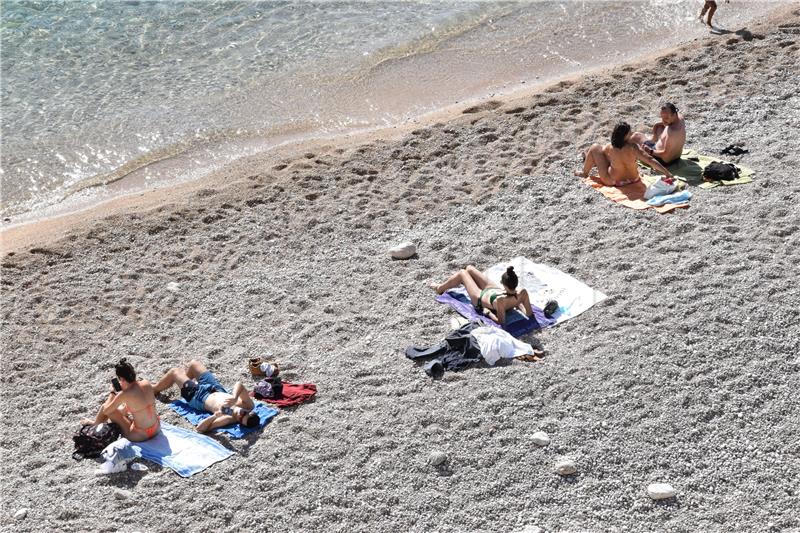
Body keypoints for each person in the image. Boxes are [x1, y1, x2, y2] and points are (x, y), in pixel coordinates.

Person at [153, 360, 260, 433]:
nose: (239, 415)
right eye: (243, 413)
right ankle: (182, 382)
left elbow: (200, 429)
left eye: (240, 420)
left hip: (199, 396)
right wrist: (235, 397)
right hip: (215, 388)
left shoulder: (228, 418)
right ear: (248, 411)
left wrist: (215, 416)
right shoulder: (248, 405)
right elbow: (239, 384)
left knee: (174, 372)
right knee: (193, 364)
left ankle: (155, 389)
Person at [81, 358, 160, 442]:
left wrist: (112, 393)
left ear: (122, 379)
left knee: (106, 407)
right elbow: (138, 401)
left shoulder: (125, 394)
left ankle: (95, 424)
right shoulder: (146, 382)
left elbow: (106, 411)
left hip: (140, 435)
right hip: (157, 428)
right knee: (124, 410)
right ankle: (96, 423)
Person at [575, 122, 674, 186]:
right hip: (634, 179)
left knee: (595, 147)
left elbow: (601, 154)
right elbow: (650, 160)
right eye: (630, 133)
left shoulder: (610, 148)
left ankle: (584, 173)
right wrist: (667, 173)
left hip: (614, 181)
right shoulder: (633, 147)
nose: (631, 134)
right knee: (615, 160)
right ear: (625, 136)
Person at [431, 265, 532, 325]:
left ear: (504, 285)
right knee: (469, 268)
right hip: (494, 290)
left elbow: (501, 321)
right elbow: (529, 313)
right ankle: (460, 279)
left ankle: (439, 288)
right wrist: (518, 304)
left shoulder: (501, 300)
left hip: (479, 298)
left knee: (462, 273)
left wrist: (488, 313)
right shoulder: (523, 292)